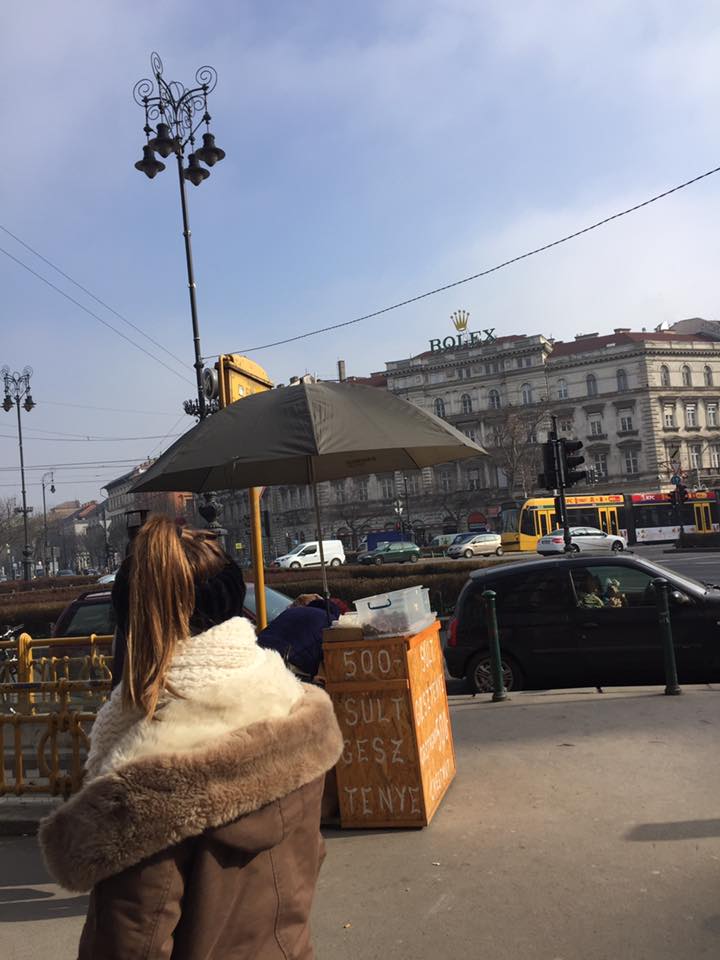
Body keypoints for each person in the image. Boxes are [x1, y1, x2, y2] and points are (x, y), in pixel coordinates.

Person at [39, 515, 343, 960]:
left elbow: (130, 944)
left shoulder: (149, 774)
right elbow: (307, 862)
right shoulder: (291, 707)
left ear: (134, 624)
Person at [257, 595, 348, 679]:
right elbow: (329, 660)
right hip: (288, 661)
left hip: (259, 651)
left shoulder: (292, 611)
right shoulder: (330, 621)